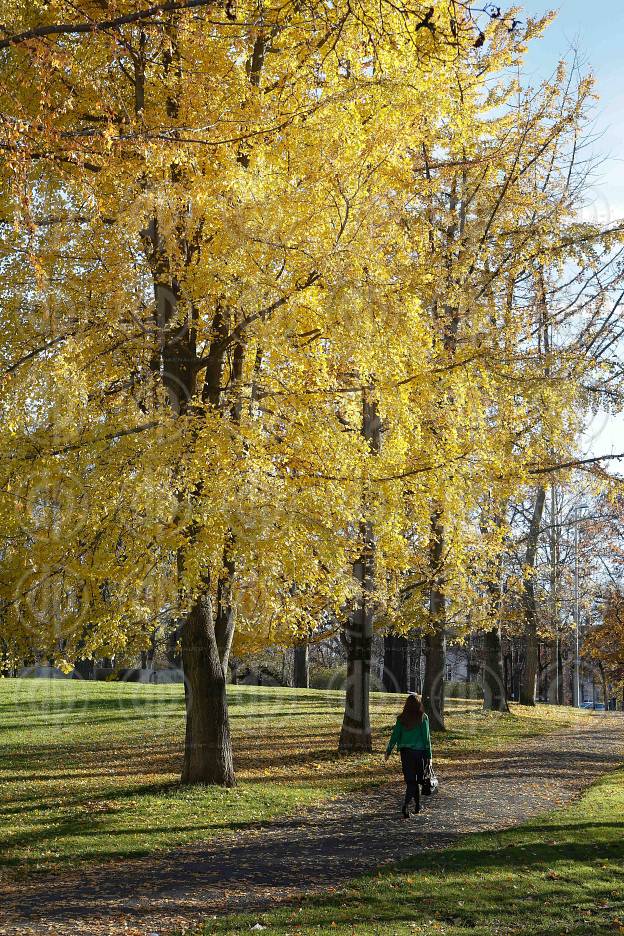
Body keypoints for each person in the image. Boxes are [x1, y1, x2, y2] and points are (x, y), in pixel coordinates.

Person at [384, 693, 433, 818]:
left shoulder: (402, 718)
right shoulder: (423, 717)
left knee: (411, 780)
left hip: (405, 753)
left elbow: (395, 735)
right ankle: (406, 805)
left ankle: (417, 805)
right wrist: (429, 756)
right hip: (420, 753)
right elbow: (426, 738)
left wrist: (388, 751)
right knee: (416, 780)